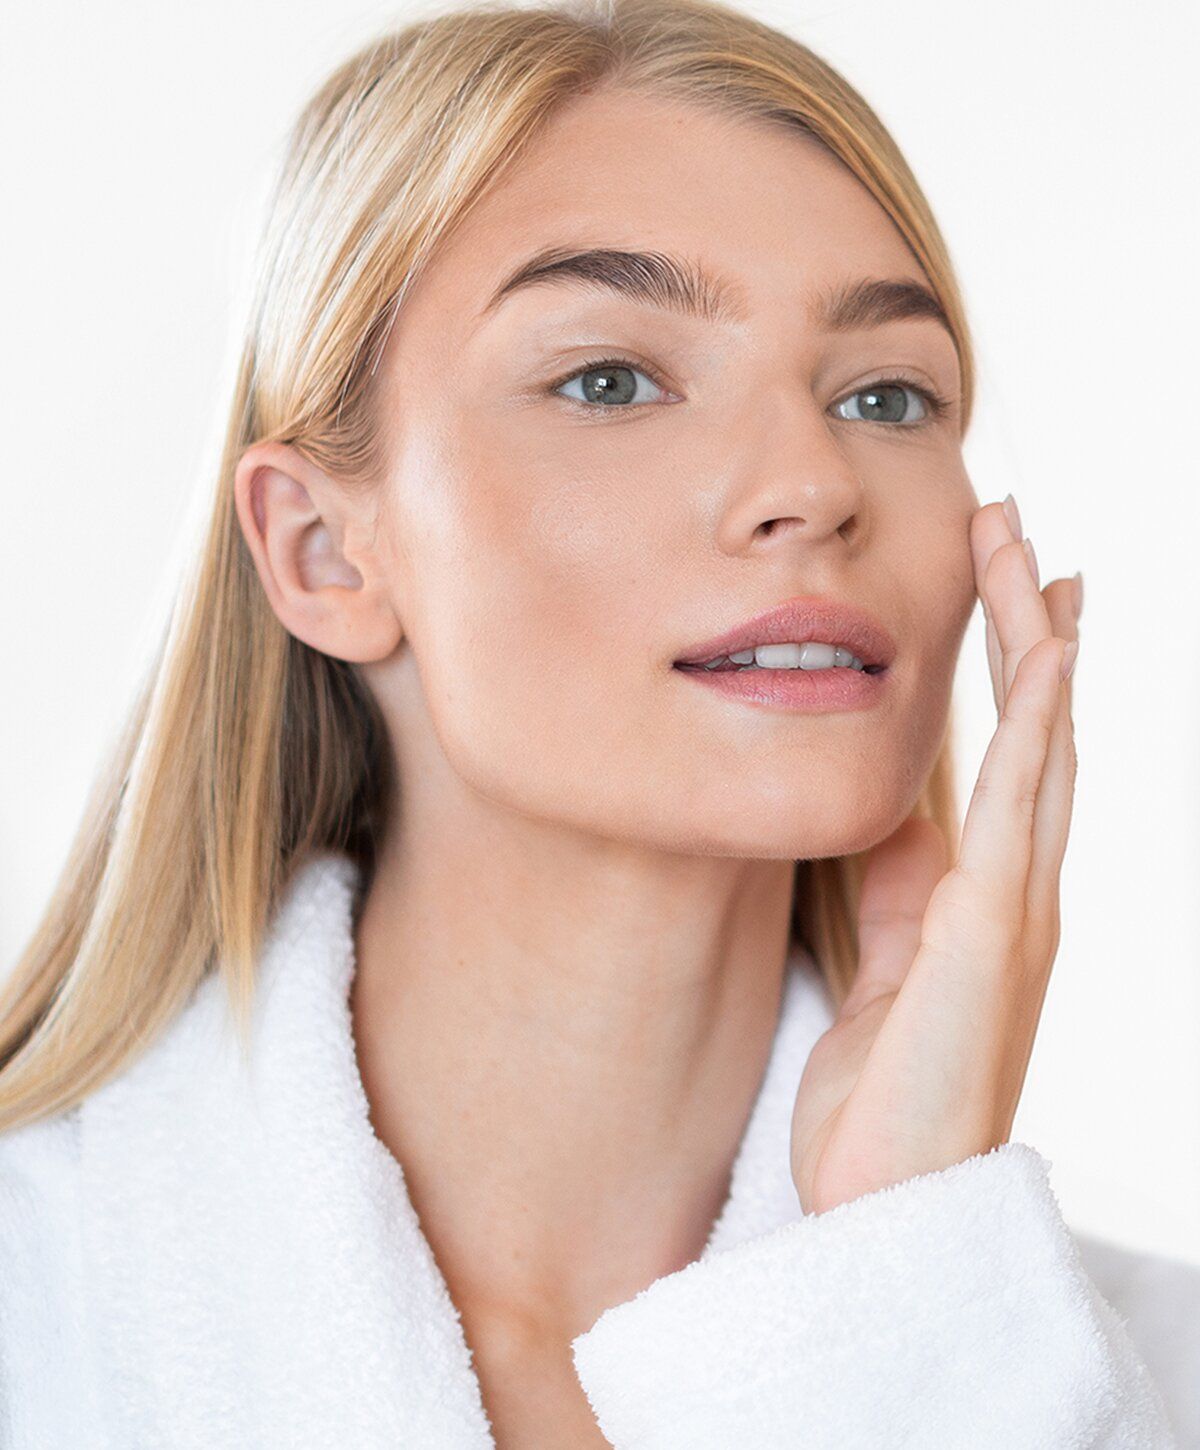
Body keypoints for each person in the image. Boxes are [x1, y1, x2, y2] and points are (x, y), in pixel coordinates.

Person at [1, 0, 1196, 1444]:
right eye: (612, 380)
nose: (813, 480)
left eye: (887, 392)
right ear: (321, 547)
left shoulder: (1120, 1383)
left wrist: (899, 1276)